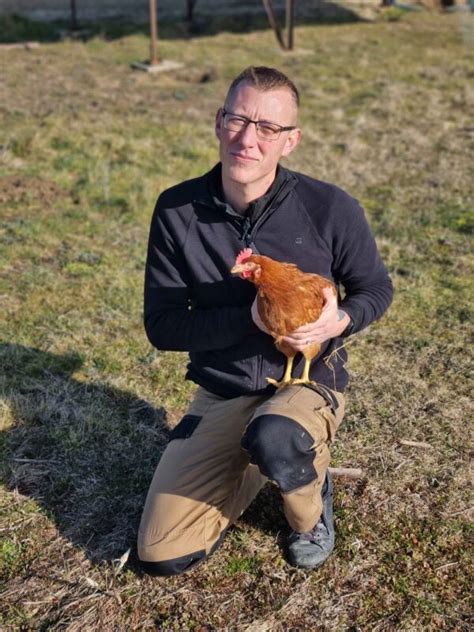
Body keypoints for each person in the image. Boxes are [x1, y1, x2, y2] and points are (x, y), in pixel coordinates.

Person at [137, 66, 393, 576]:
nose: (248, 138)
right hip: (224, 388)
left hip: (309, 376)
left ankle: (308, 509)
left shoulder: (329, 207)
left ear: (290, 141)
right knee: (162, 552)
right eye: (237, 118)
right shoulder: (177, 210)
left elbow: (376, 290)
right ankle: (262, 461)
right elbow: (163, 326)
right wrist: (250, 317)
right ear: (218, 121)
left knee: (277, 434)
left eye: (268, 128)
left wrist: (338, 319)